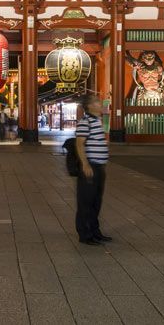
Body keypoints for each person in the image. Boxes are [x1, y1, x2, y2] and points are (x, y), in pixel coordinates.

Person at [75, 95, 111, 246]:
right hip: (90, 167)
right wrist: (85, 164)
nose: (100, 103)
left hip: (99, 167)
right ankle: (85, 234)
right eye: (96, 101)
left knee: (96, 201)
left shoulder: (97, 120)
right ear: (90, 106)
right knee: (86, 202)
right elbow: (79, 144)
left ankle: (95, 231)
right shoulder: (86, 121)